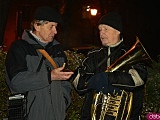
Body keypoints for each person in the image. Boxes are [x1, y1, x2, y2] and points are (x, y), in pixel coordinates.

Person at [73, 12, 150, 120]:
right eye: (100, 30)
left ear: (118, 31)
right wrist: (93, 82)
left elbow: (139, 78)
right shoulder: (93, 56)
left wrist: (109, 79)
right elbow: (78, 82)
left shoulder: (130, 54)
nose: (101, 33)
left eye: (105, 29)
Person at [5, 6, 74, 120]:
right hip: (30, 115)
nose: (55, 31)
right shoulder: (19, 48)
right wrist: (49, 76)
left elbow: (66, 83)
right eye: (51, 26)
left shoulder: (58, 50)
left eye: (56, 27)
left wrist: (63, 102)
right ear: (37, 25)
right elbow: (16, 82)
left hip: (57, 115)